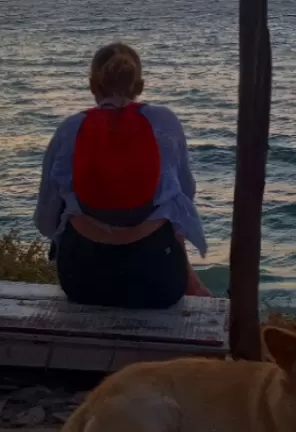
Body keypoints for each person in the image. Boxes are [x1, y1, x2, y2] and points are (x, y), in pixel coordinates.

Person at [34, 42, 210, 309]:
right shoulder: (165, 122)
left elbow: (45, 220)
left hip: (81, 280)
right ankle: (193, 284)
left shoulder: (70, 128)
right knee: (171, 207)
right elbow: (186, 194)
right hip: (158, 281)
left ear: (93, 85)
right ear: (139, 87)